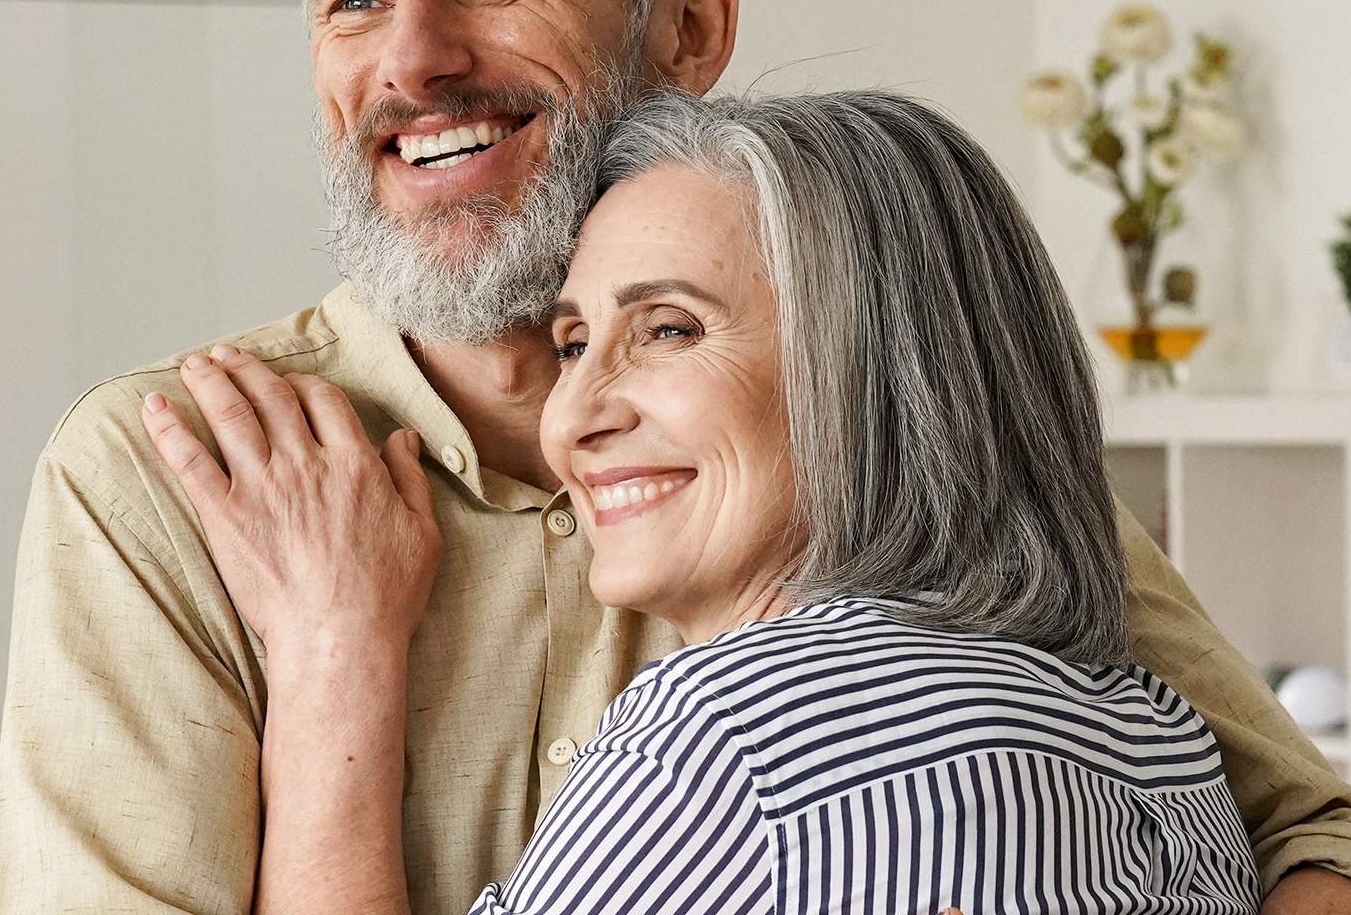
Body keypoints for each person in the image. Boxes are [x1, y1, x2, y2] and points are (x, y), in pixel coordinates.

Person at [0, 0, 1351, 915]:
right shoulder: (166, 478)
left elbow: (1348, 848)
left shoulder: (892, 429)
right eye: (352, 4)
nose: (415, 62)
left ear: (688, 25)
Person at [140, 89, 1266, 913]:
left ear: (873, 368)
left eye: (668, 329)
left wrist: (335, 658)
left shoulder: (734, 735)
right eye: (574, 343)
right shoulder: (1160, 740)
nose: (571, 420)